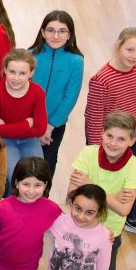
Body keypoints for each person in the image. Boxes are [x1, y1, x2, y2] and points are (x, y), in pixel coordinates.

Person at [67, 111, 136, 270]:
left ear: (132, 141)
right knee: (72, 268)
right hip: (79, 225)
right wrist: (112, 197)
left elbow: (123, 210)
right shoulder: (88, 153)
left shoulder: (135, 167)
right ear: (101, 134)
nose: (113, 143)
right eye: (109, 136)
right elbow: (72, 193)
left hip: (109, 233)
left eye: (121, 139)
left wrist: (90, 185)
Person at [83, 27, 136, 243]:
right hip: (106, 143)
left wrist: (134, 134)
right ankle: (93, 217)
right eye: (129, 49)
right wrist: (99, 147)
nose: (133, 56)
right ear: (118, 46)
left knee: (129, 180)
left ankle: (132, 219)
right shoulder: (102, 79)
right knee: (102, 183)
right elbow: (94, 115)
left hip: (130, 139)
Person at [0, 157, 61, 270]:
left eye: (38, 185)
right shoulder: (0, 208)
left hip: (27, 269)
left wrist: (103, 232)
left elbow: (71, 226)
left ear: (46, 185)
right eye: (26, 184)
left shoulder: (51, 209)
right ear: (16, 183)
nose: (31, 191)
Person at [28, 10, 83, 176]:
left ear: (69, 35)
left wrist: (49, 126)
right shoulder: (31, 55)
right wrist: (35, 123)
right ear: (43, 32)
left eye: (62, 31)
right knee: (26, 162)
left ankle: (43, 200)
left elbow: (70, 96)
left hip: (55, 125)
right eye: (51, 30)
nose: (56, 36)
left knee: (47, 161)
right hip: (28, 121)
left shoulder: (76, 61)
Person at [48, 185, 111, 270]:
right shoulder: (59, 221)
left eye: (89, 212)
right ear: (71, 203)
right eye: (77, 208)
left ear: (99, 212)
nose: (81, 216)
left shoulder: (104, 236)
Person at [0, 49, 47, 187]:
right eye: (12, 72)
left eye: (22, 73)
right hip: (6, 141)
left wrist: (4, 127)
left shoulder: (38, 93)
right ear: (5, 70)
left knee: (37, 175)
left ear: (31, 73)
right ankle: (11, 206)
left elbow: (40, 129)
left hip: (30, 140)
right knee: (13, 176)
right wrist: (26, 124)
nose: (16, 78)